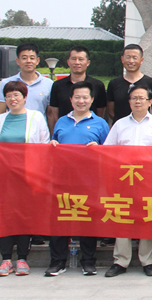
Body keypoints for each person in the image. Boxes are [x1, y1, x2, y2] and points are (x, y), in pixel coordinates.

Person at [0, 80, 49, 277]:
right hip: (4, 177)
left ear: (25, 97)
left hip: (28, 176)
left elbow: (44, 144)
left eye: (16, 95)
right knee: (5, 215)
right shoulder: (1, 119)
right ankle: (6, 259)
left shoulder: (36, 117)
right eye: (8, 96)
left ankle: (22, 258)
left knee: (24, 215)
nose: (12, 99)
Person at [103, 85, 152, 278]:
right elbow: (108, 150)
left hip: (149, 179)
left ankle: (147, 261)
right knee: (122, 217)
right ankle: (121, 260)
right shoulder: (120, 124)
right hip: (124, 179)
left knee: (147, 218)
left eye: (142, 98)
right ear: (129, 102)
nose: (138, 101)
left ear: (150, 102)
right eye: (134, 98)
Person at [46, 81, 109, 276]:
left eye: (85, 97)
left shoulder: (100, 123)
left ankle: (88, 261)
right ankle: (58, 261)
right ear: (71, 99)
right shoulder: (61, 121)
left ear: (92, 100)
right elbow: (54, 144)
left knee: (87, 220)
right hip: (62, 179)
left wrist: (99, 149)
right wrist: (53, 144)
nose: (81, 101)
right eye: (77, 97)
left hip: (89, 181)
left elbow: (110, 153)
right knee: (59, 219)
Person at [48, 45, 107, 132]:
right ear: (68, 62)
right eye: (73, 59)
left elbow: (100, 112)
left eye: (81, 59)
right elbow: (54, 113)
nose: (77, 62)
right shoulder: (58, 85)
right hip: (65, 131)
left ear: (88, 62)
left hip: (90, 131)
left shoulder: (98, 85)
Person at [106, 44, 152, 124]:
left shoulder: (151, 83)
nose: (131, 61)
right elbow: (111, 112)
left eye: (135, 58)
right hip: (121, 127)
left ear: (141, 60)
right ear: (122, 59)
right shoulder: (114, 83)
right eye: (128, 57)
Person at [0, 43, 52, 117]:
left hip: (39, 124)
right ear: (17, 61)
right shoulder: (6, 83)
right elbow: (0, 113)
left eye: (32, 58)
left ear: (37, 60)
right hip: (15, 124)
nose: (28, 61)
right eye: (24, 58)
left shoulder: (49, 84)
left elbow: (50, 113)